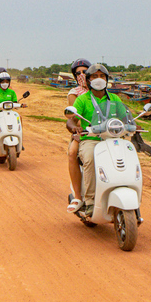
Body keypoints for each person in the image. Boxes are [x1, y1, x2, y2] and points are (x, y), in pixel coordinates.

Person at [65, 63, 122, 216]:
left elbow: (125, 117)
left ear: (107, 79)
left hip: (112, 138)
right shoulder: (82, 99)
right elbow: (71, 119)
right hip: (90, 138)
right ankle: (89, 201)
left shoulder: (115, 98)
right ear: (89, 80)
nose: (99, 79)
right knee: (89, 158)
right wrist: (73, 127)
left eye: (102, 76)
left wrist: (133, 125)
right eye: (94, 76)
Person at [65, 58, 91, 212]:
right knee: (72, 153)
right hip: (83, 132)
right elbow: (74, 117)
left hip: (104, 131)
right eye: (78, 73)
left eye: (85, 72)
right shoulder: (75, 93)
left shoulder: (101, 89)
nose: (82, 75)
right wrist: (76, 129)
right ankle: (78, 196)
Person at [0, 72, 25, 152]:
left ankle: (20, 142)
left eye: (7, 82)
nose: (5, 83)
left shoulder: (11, 92)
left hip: (10, 113)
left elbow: (15, 102)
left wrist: (21, 105)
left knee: (19, 117)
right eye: (3, 82)